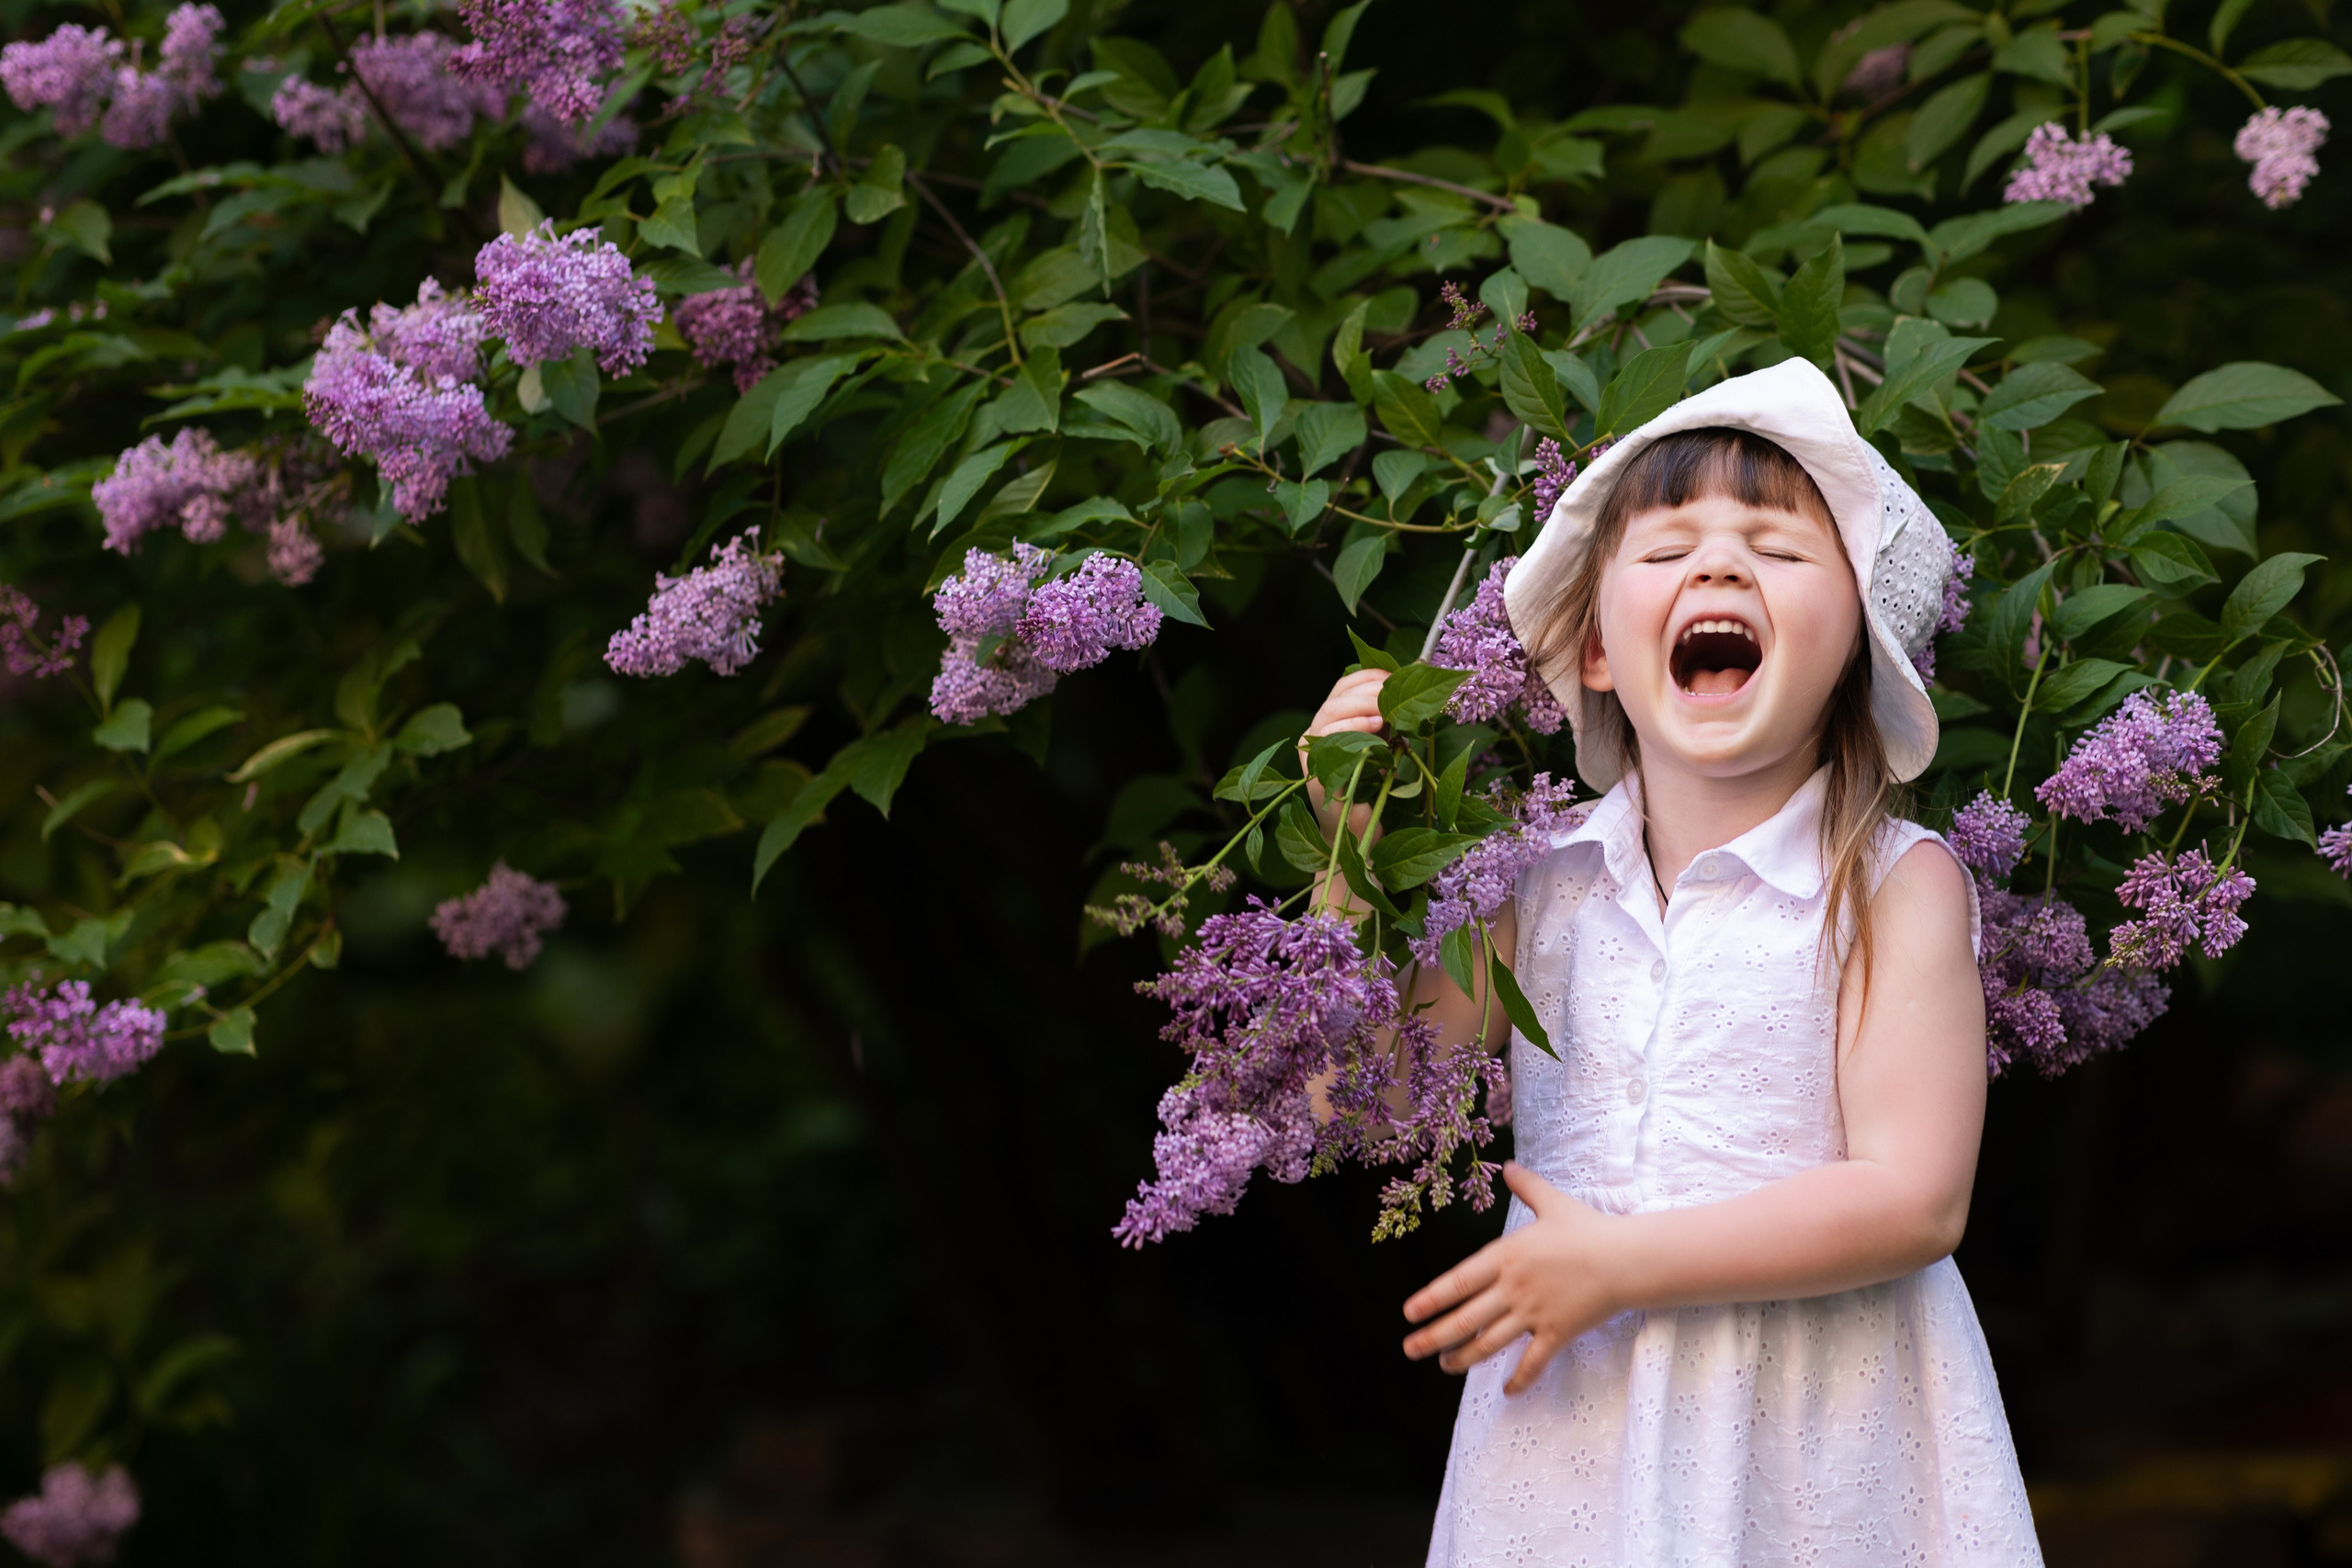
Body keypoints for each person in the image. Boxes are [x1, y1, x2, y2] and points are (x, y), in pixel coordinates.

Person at [1304, 358, 2041, 1565]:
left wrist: (1620, 1263)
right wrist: (1345, 863)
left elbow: (1916, 1198)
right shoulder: (1534, 888)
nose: (1718, 564)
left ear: (1855, 647)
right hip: (1575, 1435)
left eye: (1779, 549)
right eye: (1667, 549)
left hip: (1813, 1433)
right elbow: (1374, 1109)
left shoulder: (1889, 885)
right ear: (1594, 652)